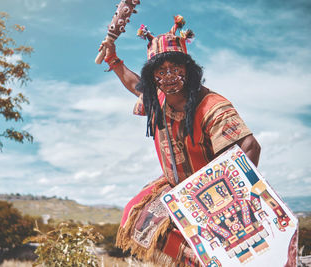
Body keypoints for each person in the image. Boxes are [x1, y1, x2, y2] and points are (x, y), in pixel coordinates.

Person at [99, 15, 261, 267]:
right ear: (152, 76)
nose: (169, 76)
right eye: (161, 71)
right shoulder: (158, 99)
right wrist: (113, 59)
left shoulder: (212, 107)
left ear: (190, 70)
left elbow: (250, 147)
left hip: (214, 192)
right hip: (176, 187)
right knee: (138, 217)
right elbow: (135, 86)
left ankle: (211, 257)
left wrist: (232, 202)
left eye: (176, 68)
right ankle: (196, 261)